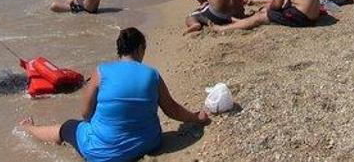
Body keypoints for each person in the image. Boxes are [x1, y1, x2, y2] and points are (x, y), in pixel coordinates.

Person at [18, 27, 210, 160]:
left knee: (68, 127)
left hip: (102, 154)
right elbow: (172, 110)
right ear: (140, 48)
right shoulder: (152, 74)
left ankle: (29, 129)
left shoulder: (101, 71)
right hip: (148, 144)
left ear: (120, 50)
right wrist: (196, 117)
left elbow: (85, 113)